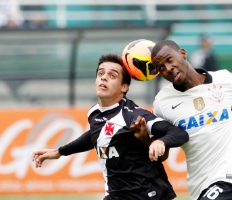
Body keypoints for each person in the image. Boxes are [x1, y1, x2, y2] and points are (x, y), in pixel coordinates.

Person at [31, 54, 189, 200]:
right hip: (115, 195)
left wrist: (161, 142)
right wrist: (59, 152)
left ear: (124, 87)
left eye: (112, 75)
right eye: (101, 74)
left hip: (149, 195)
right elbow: (95, 135)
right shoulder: (94, 113)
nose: (104, 78)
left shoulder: (133, 116)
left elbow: (179, 133)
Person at [150, 40, 232, 200]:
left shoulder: (225, 80)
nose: (168, 69)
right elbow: (164, 154)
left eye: (169, 60)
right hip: (199, 187)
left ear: (183, 54)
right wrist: (151, 142)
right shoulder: (162, 103)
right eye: (161, 68)